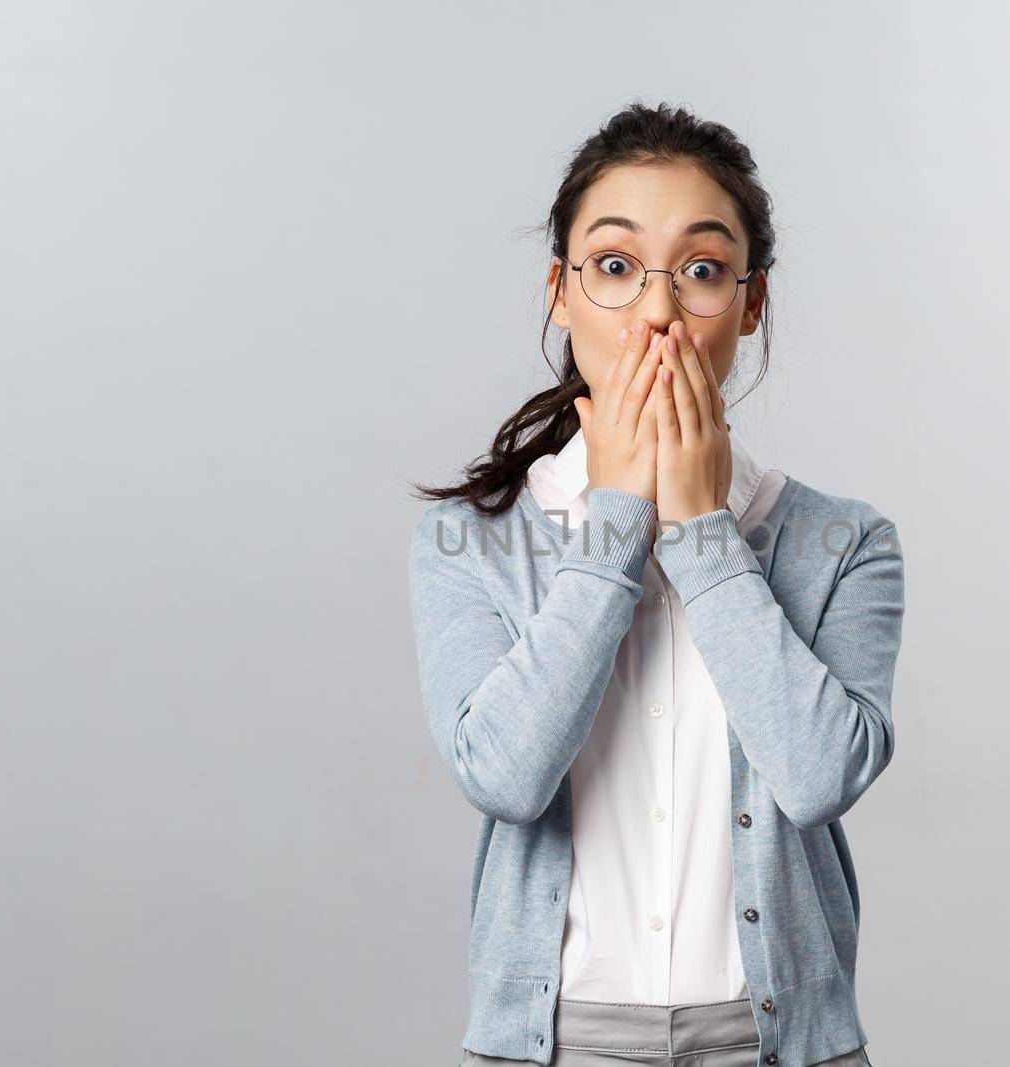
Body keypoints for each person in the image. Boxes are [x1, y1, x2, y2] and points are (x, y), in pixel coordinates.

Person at [408, 101, 904, 1067]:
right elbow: (505, 777)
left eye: (704, 270)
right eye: (616, 266)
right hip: (551, 1047)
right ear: (561, 290)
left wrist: (704, 532)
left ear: (751, 305)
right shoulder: (470, 540)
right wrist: (616, 524)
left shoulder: (844, 540)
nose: (658, 311)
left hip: (780, 1046)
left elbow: (817, 778)